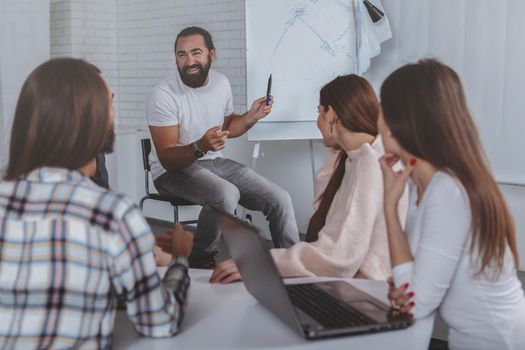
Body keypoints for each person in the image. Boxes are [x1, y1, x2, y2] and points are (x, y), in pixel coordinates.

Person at [0, 58, 194, 348]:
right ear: (91, 116)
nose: (114, 112)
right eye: (110, 101)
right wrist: (179, 260)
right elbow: (160, 322)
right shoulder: (111, 213)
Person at [378, 59, 525, 349]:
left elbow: (415, 304)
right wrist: (406, 284)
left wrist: (389, 211)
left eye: (382, 108)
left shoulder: (447, 192)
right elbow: (413, 284)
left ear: (398, 123)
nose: (378, 119)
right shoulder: (421, 184)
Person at [210, 74, 408, 284]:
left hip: (368, 287)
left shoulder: (370, 163)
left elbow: (337, 257)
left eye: (319, 112)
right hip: (356, 280)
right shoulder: (356, 158)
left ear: (331, 113)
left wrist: (259, 262)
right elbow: (326, 218)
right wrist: (336, 148)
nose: (318, 122)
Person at [147, 26, 299, 268]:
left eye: (196, 53)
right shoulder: (163, 94)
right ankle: (200, 259)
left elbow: (228, 124)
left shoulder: (221, 83)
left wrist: (250, 117)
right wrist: (199, 146)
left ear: (212, 54)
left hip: (214, 161)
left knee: (280, 199)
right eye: (181, 55)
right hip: (171, 171)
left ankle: (291, 264)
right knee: (226, 194)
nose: (189, 61)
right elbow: (167, 158)